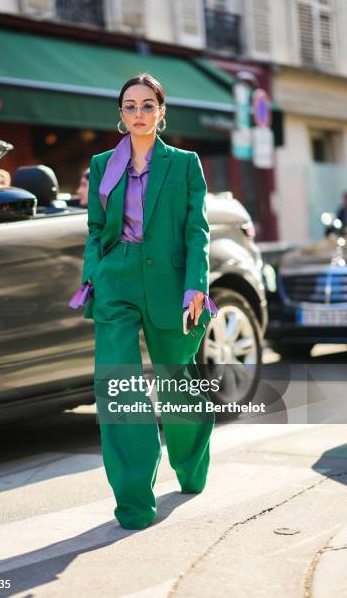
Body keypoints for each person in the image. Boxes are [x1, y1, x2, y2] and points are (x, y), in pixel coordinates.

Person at [68, 73, 217, 530]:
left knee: (178, 380)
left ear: (161, 111)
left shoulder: (185, 164)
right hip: (116, 280)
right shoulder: (101, 165)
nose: (138, 113)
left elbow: (197, 230)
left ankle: (191, 465)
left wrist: (196, 285)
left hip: (171, 284)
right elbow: (96, 227)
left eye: (147, 105)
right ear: (120, 115)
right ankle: (133, 500)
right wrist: (94, 274)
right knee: (118, 387)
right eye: (130, 106)